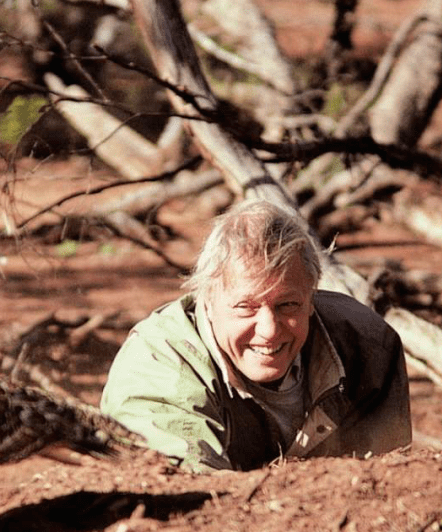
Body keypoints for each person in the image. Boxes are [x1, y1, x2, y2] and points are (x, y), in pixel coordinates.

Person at [100, 199, 411, 472]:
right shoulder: (156, 369)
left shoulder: (366, 344)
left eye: (287, 304)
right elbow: (190, 503)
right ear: (207, 299)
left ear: (311, 297)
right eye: (245, 307)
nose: (269, 330)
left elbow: (386, 487)